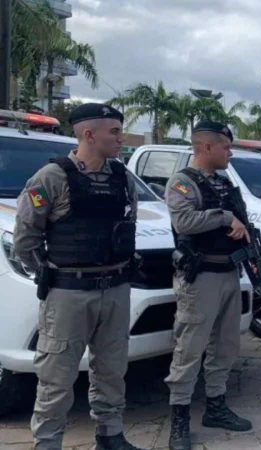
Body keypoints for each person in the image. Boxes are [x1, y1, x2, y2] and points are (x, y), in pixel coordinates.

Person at [15, 103, 143, 450]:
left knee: (112, 370)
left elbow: (128, 224)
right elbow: (25, 239)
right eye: (114, 131)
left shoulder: (121, 176)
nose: (120, 138)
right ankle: (48, 443)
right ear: (89, 134)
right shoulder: (51, 178)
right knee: (56, 376)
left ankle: (110, 435)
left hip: (115, 288)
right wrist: (49, 273)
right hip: (68, 292)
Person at [164, 121, 252, 450]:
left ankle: (216, 405)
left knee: (225, 346)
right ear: (206, 148)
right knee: (189, 350)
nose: (230, 153)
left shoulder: (224, 183)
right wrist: (225, 218)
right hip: (199, 278)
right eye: (226, 147)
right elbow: (183, 221)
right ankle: (180, 418)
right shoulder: (183, 182)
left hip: (229, 272)